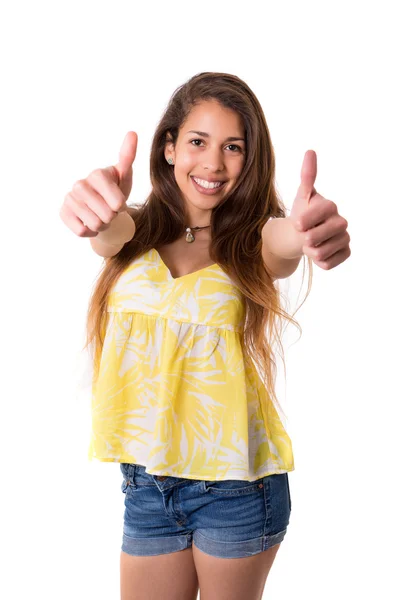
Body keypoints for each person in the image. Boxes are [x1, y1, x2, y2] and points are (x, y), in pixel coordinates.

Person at [59, 72, 351, 600]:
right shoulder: (133, 232)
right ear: (169, 148)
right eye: (198, 142)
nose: (214, 163)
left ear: (250, 159)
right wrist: (91, 208)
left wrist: (305, 229)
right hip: (147, 482)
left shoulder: (252, 243)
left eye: (233, 147)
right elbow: (106, 230)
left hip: (237, 487)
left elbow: (284, 243)